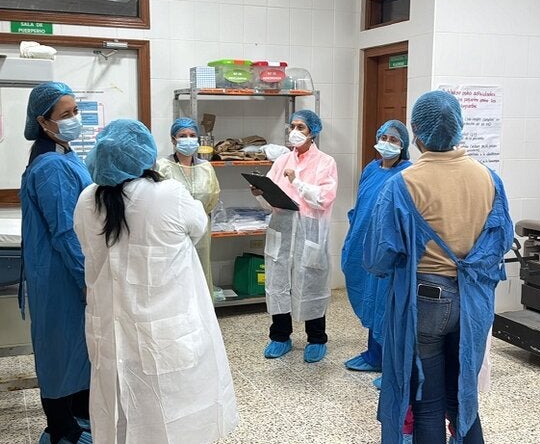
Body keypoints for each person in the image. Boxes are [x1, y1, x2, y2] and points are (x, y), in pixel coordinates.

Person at [73, 119, 238, 444]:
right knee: (174, 414)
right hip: (163, 332)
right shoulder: (168, 194)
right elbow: (198, 226)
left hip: (110, 330)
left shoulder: (87, 200)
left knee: (117, 411)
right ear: (145, 155)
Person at [363, 90, 513, 444]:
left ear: (415, 130)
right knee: (463, 396)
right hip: (474, 304)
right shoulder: (488, 179)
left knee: (428, 402)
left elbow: (377, 258)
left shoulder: (403, 183)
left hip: (426, 303)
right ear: (459, 127)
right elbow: (501, 241)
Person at [20, 82, 93, 444]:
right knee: (59, 351)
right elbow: (65, 230)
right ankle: (63, 429)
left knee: (71, 349)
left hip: (58, 271)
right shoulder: (51, 165)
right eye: (66, 115)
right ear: (43, 120)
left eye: (75, 111)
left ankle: (76, 419)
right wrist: (86, 278)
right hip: (61, 274)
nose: (74, 119)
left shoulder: (61, 153)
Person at [250, 109, 338, 363]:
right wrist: (259, 193)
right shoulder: (281, 162)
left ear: (313, 133)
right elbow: (270, 204)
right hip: (282, 227)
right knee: (278, 282)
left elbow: (323, 199)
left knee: (310, 281)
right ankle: (280, 336)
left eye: (301, 127)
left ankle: (317, 338)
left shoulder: (325, 162)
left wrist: (297, 181)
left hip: (309, 231)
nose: (295, 132)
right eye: (293, 126)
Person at [342, 120, 412, 386]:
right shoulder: (371, 169)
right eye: (383, 137)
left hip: (389, 252)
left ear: (403, 145)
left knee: (388, 306)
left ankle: (393, 367)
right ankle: (375, 355)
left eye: (394, 140)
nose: (386, 143)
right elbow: (361, 204)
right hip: (363, 244)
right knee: (371, 301)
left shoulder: (408, 173)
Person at [155, 117, 220, 298]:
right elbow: (157, 199)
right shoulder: (163, 166)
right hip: (172, 229)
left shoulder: (206, 167)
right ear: (173, 139)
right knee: (175, 272)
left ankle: (203, 316)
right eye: (182, 135)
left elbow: (213, 197)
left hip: (201, 228)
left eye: (192, 135)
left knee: (201, 269)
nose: (188, 139)